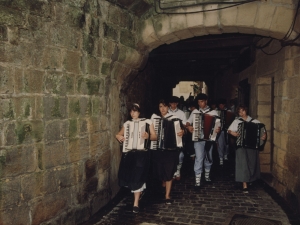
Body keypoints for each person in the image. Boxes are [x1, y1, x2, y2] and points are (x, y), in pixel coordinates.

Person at [116, 103, 157, 213]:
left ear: (139, 112)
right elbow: (119, 134)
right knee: (132, 176)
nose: (133, 113)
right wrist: (119, 136)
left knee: (137, 177)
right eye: (131, 111)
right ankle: (140, 190)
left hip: (142, 154)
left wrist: (148, 136)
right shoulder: (127, 123)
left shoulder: (148, 122)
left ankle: (136, 204)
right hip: (130, 154)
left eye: (135, 111)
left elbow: (155, 136)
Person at [150, 99, 184, 204]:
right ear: (158, 108)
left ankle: (167, 195)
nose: (163, 109)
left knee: (169, 173)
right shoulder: (154, 118)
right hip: (158, 150)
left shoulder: (175, 119)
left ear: (168, 108)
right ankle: (163, 183)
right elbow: (149, 133)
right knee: (159, 172)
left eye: (165, 106)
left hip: (170, 151)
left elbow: (183, 130)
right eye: (161, 106)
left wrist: (182, 132)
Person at [227, 105, 266, 193]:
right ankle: (244, 184)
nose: (241, 113)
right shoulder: (237, 121)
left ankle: (250, 179)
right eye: (239, 112)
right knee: (242, 164)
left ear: (246, 111)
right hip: (240, 145)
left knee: (252, 163)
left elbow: (262, 131)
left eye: (243, 111)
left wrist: (263, 136)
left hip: (252, 146)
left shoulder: (255, 121)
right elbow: (229, 130)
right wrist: (233, 133)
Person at [186, 93, 220, 190]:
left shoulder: (213, 112)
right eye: (198, 102)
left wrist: (218, 130)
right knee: (199, 158)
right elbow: (187, 122)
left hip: (209, 139)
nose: (200, 104)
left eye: (201, 101)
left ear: (206, 101)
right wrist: (189, 127)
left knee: (208, 158)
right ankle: (197, 181)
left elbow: (219, 126)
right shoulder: (195, 112)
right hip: (198, 139)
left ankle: (207, 177)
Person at [168, 96, 187, 180]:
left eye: (175, 103)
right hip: (169, 136)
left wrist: (182, 129)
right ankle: (171, 171)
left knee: (180, 154)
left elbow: (185, 124)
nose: (173, 105)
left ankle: (178, 170)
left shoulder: (181, 113)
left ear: (178, 104)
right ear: (169, 103)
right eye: (172, 103)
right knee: (170, 155)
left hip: (179, 135)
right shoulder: (166, 112)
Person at [216, 98, 231, 166]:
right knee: (220, 144)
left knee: (227, 144)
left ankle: (226, 154)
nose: (221, 106)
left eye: (222, 105)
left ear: (224, 105)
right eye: (220, 105)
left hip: (227, 130)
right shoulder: (216, 111)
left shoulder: (228, 111)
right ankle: (221, 158)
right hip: (220, 130)